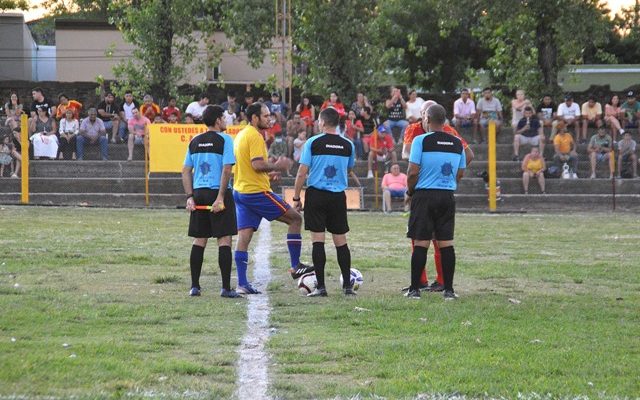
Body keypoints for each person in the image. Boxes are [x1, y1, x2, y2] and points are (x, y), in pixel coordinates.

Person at [232, 102, 314, 294]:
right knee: (295, 218)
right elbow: (257, 165)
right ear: (254, 118)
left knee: (244, 237)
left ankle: (242, 283)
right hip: (256, 193)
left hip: (241, 190)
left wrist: (269, 175)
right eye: (266, 115)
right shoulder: (254, 136)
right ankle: (295, 266)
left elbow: (248, 168)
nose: (270, 118)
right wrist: (279, 165)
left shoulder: (242, 134)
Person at [401, 100, 473, 293]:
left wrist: (409, 192)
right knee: (446, 243)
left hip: (424, 195)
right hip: (447, 196)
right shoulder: (457, 142)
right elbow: (460, 172)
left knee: (421, 242)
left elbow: (412, 172)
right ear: (445, 121)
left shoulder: (420, 141)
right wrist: (450, 184)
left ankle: (415, 289)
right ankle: (449, 290)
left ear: (427, 118)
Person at [292, 107, 358, 297]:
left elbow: (302, 172)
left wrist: (296, 197)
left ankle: (321, 287)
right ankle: (347, 286)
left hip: (317, 195)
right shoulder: (348, 145)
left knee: (317, 241)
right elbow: (348, 168)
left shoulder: (312, 142)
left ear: (321, 122)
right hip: (337, 197)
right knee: (340, 241)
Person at [182, 105, 241, 298]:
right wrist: (221, 198)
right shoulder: (225, 140)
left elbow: (185, 171)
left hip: (199, 194)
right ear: (217, 120)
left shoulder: (194, 141)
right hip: (218, 193)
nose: (225, 121)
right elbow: (226, 170)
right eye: (223, 118)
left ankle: (195, 287)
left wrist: (190, 196)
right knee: (224, 239)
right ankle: (225, 288)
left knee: (200, 239)